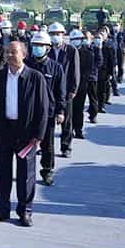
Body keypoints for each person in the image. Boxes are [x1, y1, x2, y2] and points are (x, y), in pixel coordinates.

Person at [0, 41, 50, 227]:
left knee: (26, 175)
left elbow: (43, 108)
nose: (9, 55)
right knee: (3, 173)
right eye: (7, 52)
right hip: (4, 131)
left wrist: (39, 134)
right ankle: (2, 210)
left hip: (26, 134)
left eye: (13, 52)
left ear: (24, 55)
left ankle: (25, 211)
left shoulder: (35, 77)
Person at [25, 31, 66, 186]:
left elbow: (60, 92)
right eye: (35, 45)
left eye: (41, 45)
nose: (38, 48)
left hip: (47, 113)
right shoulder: (26, 65)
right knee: (26, 144)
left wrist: (60, 111)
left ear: (48, 48)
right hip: (28, 113)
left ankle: (47, 171)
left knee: (47, 145)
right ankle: (25, 172)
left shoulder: (55, 68)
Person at [47, 22, 80, 159]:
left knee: (66, 121)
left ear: (63, 34)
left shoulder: (71, 50)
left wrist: (73, 89)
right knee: (47, 121)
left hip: (65, 91)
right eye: (52, 34)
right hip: (49, 90)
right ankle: (46, 147)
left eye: (58, 34)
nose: (55, 36)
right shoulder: (46, 49)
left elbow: (75, 71)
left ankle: (66, 147)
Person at [69, 29, 94, 142]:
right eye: (73, 39)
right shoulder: (67, 52)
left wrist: (80, 83)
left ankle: (78, 129)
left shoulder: (87, 53)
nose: (76, 41)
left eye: (78, 39)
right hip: (69, 86)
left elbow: (88, 70)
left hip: (82, 85)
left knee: (79, 108)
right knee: (69, 109)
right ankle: (69, 130)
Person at [88, 30, 105, 124]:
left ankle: (93, 115)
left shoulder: (96, 49)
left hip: (92, 77)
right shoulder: (83, 48)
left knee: (93, 98)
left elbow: (99, 62)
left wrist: (92, 69)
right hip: (82, 77)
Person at [97, 28, 114, 113]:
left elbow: (111, 61)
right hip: (95, 72)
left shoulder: (108, 46)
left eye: (103, 33)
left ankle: (101, 106)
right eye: (99, 33)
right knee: (94, 90)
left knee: (102, 90)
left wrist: (111, 73)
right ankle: (94, 106)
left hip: (104, 71)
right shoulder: (93, 45)